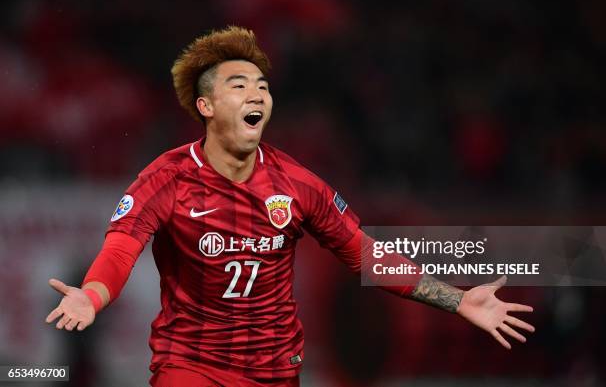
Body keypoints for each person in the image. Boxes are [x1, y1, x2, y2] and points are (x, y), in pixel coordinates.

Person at [45, 26, 535, 387]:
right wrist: (91, 296)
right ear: (206, 106)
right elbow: (120, 249)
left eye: (262, 86)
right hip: (190, 369)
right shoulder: (166, 179)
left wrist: (456, 298)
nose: (257, 93)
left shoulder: (298, 185)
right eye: (240, 85)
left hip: (276, 375)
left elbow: (366, 254)